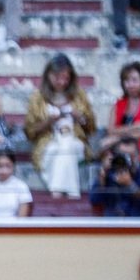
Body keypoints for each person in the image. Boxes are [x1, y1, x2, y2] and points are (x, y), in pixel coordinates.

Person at [24, 53, 96, 196]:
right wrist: (49, 122)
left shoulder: (79, 95)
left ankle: (57, 194)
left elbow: (92, 128)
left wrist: (80, 117)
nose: (62, 82)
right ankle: (71, 194)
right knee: (58, 150)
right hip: (47, 144)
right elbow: (29, 132)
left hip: (76, 142)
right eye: (58, 78)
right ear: (49, 76)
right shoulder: (37, 98)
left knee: (67, 145)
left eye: (66, 78)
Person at [90, 137, 140, 216]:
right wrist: (102, 174)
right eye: (124, 155)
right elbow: (94, 200)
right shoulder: (110, 174)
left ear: (139, 155)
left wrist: (130, 185)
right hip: (113, 225)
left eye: (131, 156)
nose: (128, 160)